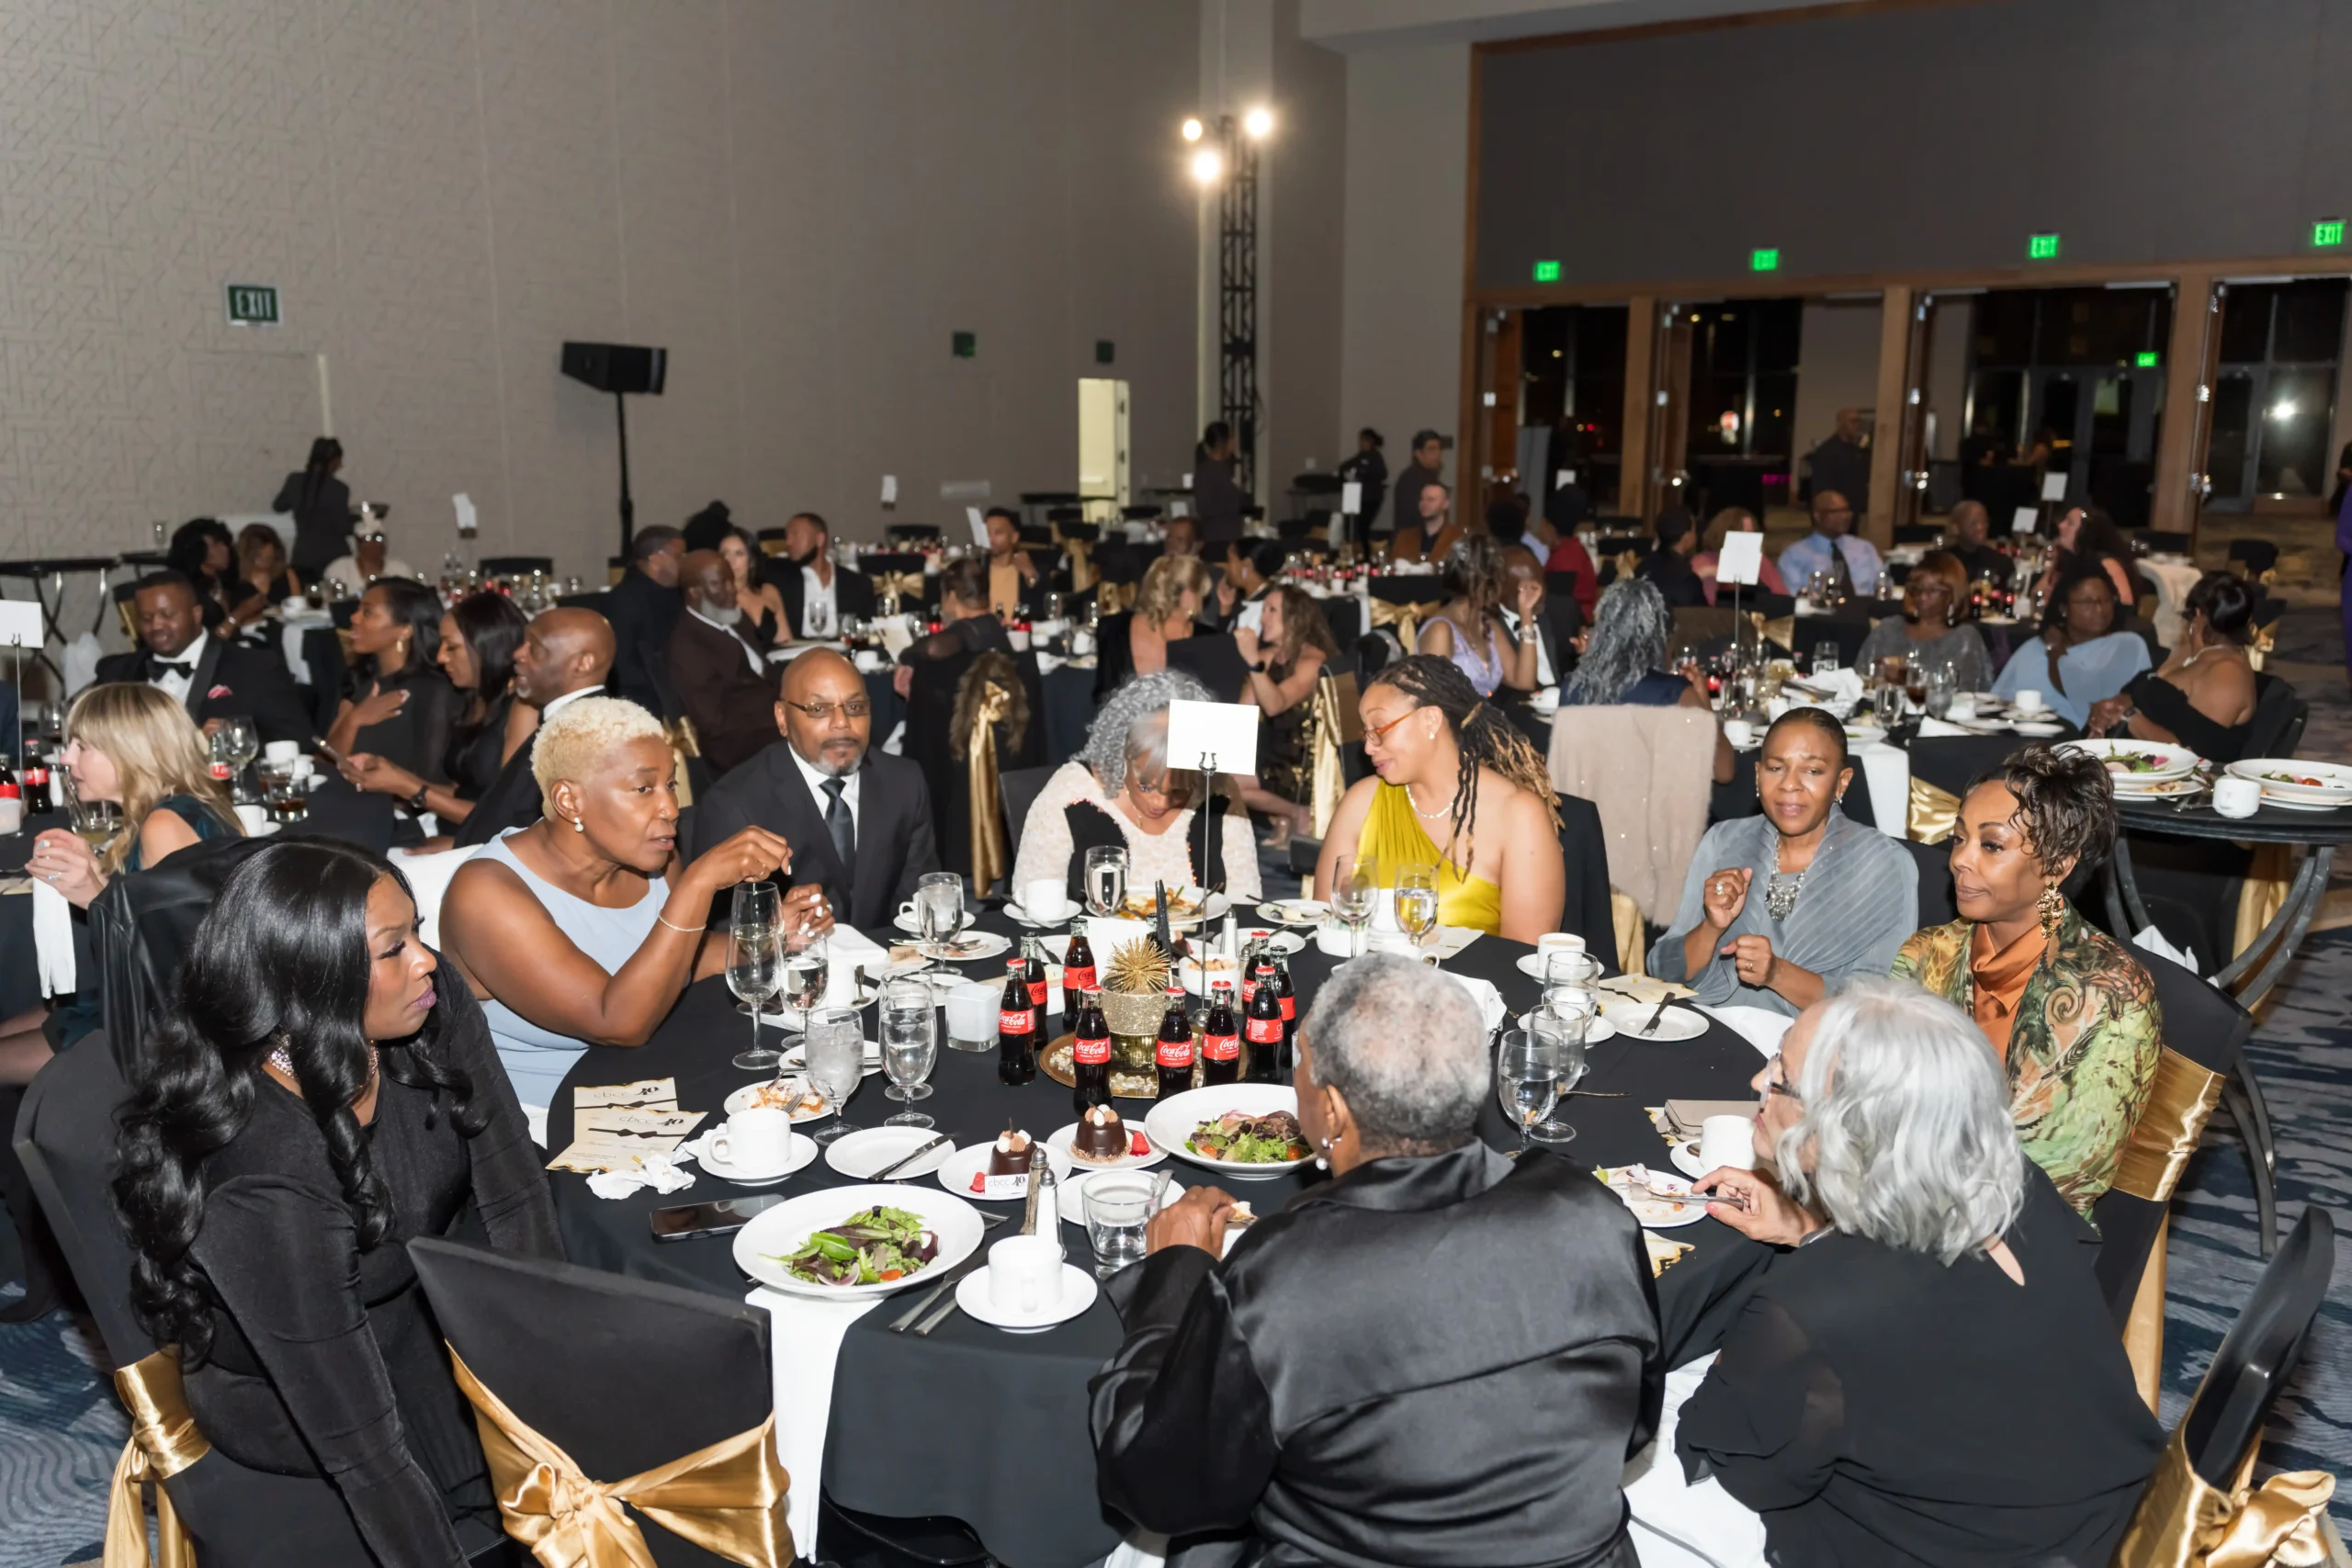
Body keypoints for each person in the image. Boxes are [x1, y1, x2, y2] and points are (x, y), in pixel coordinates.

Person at [1092, 953, 1660, 1567]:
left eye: (1301, 1063)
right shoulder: (1593, 1217)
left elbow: (1157, 1485)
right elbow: (1633, 1428)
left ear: (1333, 1111)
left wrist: (1175, 1278)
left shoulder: (1286, 1277)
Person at [111, 839, 561, 1562]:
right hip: (307, 1395)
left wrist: (553, 1382)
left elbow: (514, 1191)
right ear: (309, 982)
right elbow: (365, 1452)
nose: (427, 959)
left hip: (423, 1305)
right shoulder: (264, 1174)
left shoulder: (423, 999)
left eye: (416, 931)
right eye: (393, 948)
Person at [1679, 978, 2162, 1566]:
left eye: (1781, 1076)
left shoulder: (1811, 1304)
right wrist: (1809, 1229)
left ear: (1842, 1129)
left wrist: (1743, 1347)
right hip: (2116, 1516)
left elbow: (1742, 1462)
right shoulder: (2017, 1182)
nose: (1759, 1080)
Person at [441, 696, 804, 1113]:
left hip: (655, 1085)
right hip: (545, 1120)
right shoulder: (486, 894)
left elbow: (680, 958)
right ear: (569, 800)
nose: (670, 808)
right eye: (644, 789)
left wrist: (774, 936)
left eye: (670, 784)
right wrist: (698, 883)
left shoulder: (650, 858)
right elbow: (617, 1023)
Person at [1894, 747, 2161, 1212]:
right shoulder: (1926, 955)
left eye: (1991, 845)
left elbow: (2067, 1178)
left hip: (2022, 1227)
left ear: (2057, 866)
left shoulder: (2113, 996)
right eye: (1959, 838)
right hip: (1897, 1192)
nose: (1960, 860)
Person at [4, 682, 243, 1073]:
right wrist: (98, 872)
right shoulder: (175, 808)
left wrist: (95, 897)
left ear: (131, 753)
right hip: (138, 1004)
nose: (65, 758)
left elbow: (183, 970)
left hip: (164, 1033)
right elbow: (164, 917)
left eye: (82, 747)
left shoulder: (163, 826)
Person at [1649, 708, 1916, 1017]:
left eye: (1812, 771)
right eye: (1776, 768)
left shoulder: (1883, 865)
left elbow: (1881, 1006)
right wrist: (1711, 927)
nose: (1790, 784)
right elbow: (1663, 970)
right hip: (1709, 1027)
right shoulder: (1725, 841)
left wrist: (1778, 974)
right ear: (1758, 774)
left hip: (1817, 1040)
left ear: (1841, 782)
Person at [1313, 655, 1563, 940]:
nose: (1369, 748)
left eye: (1379, 730)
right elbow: (1327, 927)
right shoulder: (1361, 802)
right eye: (1366, 734)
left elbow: (1523, 953)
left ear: (1430, 720)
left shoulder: (1517, 815)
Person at [692, 649, 939, 930]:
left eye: (855, 707)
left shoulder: (904, 783)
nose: (842, 723)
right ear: (782, 718)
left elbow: (918, 906)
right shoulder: (735, 805)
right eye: (818, 709)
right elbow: (726, 935)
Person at [1012, 670, 1261, 902]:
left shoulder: (1218, 790)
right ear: (1123, 754)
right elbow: (1033, 897)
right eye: (1146, 787)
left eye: (1178, 791)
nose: (1159, 802)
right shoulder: (1071, 791)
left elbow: (1245, 898)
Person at [339, 592, 533, 831]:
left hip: (483, 840)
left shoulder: (523, 708)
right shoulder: (475, 699)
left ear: (487, 648)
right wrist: (392, 775)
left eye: (451, 647)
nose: (440, 657)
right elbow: (461, 793)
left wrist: (407, 787)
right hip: (453, 829)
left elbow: (503, 817)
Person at [452, 607, 615, 849]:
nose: (518, 654)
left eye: (535, 648)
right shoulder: (564, 720)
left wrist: (470, 856)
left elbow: (558, 843)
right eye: (523, 643)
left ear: (583, 663)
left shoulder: (584, 734)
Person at [94, 571, 311, 744]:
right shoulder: (117, 673)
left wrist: (235, 741)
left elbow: (298, 740)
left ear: (196, 614)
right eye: (146, 618)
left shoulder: (254, 668)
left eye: (167, 615)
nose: (156, 626)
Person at [2087, 570, 2261, 761]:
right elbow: (2149, 698)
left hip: (2164, 773)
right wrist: (2112, 706)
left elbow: (2195, 755)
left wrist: (2129, 717)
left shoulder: (2228, 673)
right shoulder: (2190, 652)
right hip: (2125, 757)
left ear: (2197, 613)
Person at [1231, 584, 1339, 848]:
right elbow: (1244, 713)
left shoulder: (1312, 661)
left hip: (1303, 761)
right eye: (1263, 610)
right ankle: (1286, 814)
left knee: (1230, 783)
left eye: (1272, 610)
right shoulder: (1268, 657)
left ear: (1295, 618)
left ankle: (1296, 812)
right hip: (1273, 750)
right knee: (1212, 772)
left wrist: (1253, 664)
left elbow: (1275, 705)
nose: (1263, 618)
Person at [326, 579, 460, 789]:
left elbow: (430, 785)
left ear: (405, 630)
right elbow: (325, 763)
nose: (353, 617)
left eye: (367, 612)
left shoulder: (433, 690)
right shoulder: (359, 678)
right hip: (342, 797)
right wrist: (354, 720)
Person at [1992, 562, 2150, 728]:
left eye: (2105, 601)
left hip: (2082, 740)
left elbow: (2086, 698)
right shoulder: (2035, 648)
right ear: (2064, 609)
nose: (2099, 610)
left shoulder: (2127, 645)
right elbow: (1997, 702)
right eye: (2087, 603)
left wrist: (2055, 652)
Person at [665, 547, 777, 775]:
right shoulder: (686, 646)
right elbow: (712, 722)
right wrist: (777, 713)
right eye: (720, 584)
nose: (732, 589)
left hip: (772, 719)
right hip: (736, 745)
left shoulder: (735, 618)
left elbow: (763, 671)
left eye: (731, 581)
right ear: (695, 592)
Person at [1416, 536, 1544, 697]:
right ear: (1480, 583)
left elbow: (1524, 681)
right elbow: (1434, 698)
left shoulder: (1488, 625)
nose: (1501, 589)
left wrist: (1526, 613)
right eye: (1498, 581)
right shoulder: (1440, 630)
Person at [1850, 550, 1992, 691]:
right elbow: (1857, 680)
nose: (1922, 596)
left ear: (1952, 595)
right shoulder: (1888, 629)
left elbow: (1967, 692)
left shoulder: (1964, 638)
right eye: (1917, 589)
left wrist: (1905, 676)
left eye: (1933, 590)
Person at [1092, 553, 1211, 701]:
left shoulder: (1112, 627)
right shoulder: (1113, 628)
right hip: (1121, 716)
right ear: (1188, 596)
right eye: (1200, 595)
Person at [603, 525, 685, 712]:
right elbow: (623, 670)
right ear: (657, 559)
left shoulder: (675, 594)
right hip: (645, 706)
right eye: (679, 556)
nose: (685, 563)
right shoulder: (624, 601)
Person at [774, 512, 877, 641]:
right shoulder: (779, 577)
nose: (788, 542)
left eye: (795, 534)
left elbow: (867, 630)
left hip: (841, 650)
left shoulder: (856, 583)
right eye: (787, 536)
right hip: (798, 651)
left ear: (820, 539)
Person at [1776, 490, 1884, 601]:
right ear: (1818, 516)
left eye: (1847, 511)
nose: (1845, 517)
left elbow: (1882, 584)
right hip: (1817, 610)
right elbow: (1792, 597)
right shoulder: (1794, 555)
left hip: (1866, 608)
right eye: (1837, 512)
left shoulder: (1865, 548)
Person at [272, 435, 351, 580]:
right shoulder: (339, 489)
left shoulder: (295, 481)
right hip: (335, 557)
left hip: (304, 556)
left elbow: (278, 506)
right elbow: (343, 527)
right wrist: (358, 518)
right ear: (334, 461)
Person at [166, 517, 261, 632]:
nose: (225, 549)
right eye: (216, 544)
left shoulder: (224, 584)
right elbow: (211, 638)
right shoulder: (188, 594)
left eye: (224, 543)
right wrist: (239, 614)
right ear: (197, 550)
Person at [2033, 505, 2139, 608]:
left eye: (2070, 523)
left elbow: (2126, 607)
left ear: (2086, 533)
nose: (2061, 525)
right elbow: (2040, 594)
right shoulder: (2068, 559)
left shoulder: (2107, 563)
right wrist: (2054, 564)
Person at [1693, 506, 1789, 604]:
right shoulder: (1703, 562)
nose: (1750, 539)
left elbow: (1782, 598)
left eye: (1753, 533)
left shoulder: (1760, 561)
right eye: (1743, 533)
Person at [718, 525, 789, 645]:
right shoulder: (713, 597)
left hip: (775, 656)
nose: (730, 560)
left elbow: (785, 642)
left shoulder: (768, 592)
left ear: (752, 561)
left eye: (739, 554)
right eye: (725, 553)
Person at [1529, 504, 1600, 617]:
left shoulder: (1565, 558)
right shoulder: (1570, 548)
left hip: (1573, 619)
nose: (1539, 530)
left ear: (1550, 527)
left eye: (1542, 524)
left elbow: (1557, 603)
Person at [983, 506, 1049, 621]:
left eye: (998, 533)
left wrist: (1030, 575)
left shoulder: (1031, 570)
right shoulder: (978, 570)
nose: (991, 538)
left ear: (1014, 537)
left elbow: (1045, 612)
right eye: (987, 532)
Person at [1634, 505, 1708, 607]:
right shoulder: (1688, 580)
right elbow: (1702, 614)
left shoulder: (1642, 568)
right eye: (1694, 530)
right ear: (1686, 537)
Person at [319, 525, 418, 601]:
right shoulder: (338, 569)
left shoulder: (401, 570)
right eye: (368, 539)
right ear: (358, 544)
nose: (374, 544)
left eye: (379, 539)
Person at [1806, 407, 1871, 517]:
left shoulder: (1856, 451)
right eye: (1852, 421)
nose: (1857, 426)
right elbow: (1821, 487)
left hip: (1853, 510)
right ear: (1841, 423)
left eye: (1858, 422)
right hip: (1834, 512)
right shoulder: (1827, 451)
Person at [1212, 539, 1285, 633]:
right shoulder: (1242, 600)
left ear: (1247, 565)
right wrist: (1225, 610)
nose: (1227, 567)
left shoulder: (1265, 609)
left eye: (1230, 560)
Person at [1192, 422, 1246, 547]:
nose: (1235, 442)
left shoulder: (1225, 468)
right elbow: (1204, 508)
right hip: (1216, 539)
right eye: (1231, 438)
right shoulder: (1206, 471)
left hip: (1231, 537)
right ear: (1222, 442)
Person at [1941, 499, 2013, 589]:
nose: (1980, 528)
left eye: (1984, 522)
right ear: (1955, 528)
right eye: (1973, 524)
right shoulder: (1941, 563)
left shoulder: (2001, 562)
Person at [1334, 426, 1387, 547]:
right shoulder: (1361, 456)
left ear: (1369, 441)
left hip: (1371, 497)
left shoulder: (1375, 457)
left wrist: (1364, 474)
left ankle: (1364, 550)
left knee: (1362, 526)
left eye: (1361, 440)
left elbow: (1383, 474)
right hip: (1358, 497)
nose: (1359, 443)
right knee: (1355, 527)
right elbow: (1345, 466)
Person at [1391, 479, 1464, 565]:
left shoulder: (1458, 537)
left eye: (1431, 500)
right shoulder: (1405, 537)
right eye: (1422, 499)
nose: (1424, 503)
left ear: (1445, 504)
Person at [1391, 428, 1446, 536]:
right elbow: (1416, 515)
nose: (1437, 454)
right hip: (1413, 539)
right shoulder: (1411, 479)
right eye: (1431, 449)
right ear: (1418, 453)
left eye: (1439, 449)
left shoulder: (1429, 476)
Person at [234, 523, 304, 607]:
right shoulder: (235, 577)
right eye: (258, 556)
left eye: (269, 557)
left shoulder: (287, 574)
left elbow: (298, 607)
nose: (264, 560)